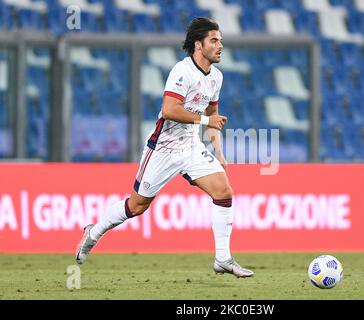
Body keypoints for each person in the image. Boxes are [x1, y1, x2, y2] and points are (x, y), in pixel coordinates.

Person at [75, 17, 254, 278]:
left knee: (224, 191)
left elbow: (213, 117)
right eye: (214, 40)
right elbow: (170, 110)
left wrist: (219, 153)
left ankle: (223, 258)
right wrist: (206, 119)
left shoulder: (216, 77)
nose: (220, 46)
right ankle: (93, 232)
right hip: (164, 148)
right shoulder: (182, 72)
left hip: (191, 146)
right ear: (198, 45)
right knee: (136, 207)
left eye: (221, 41)